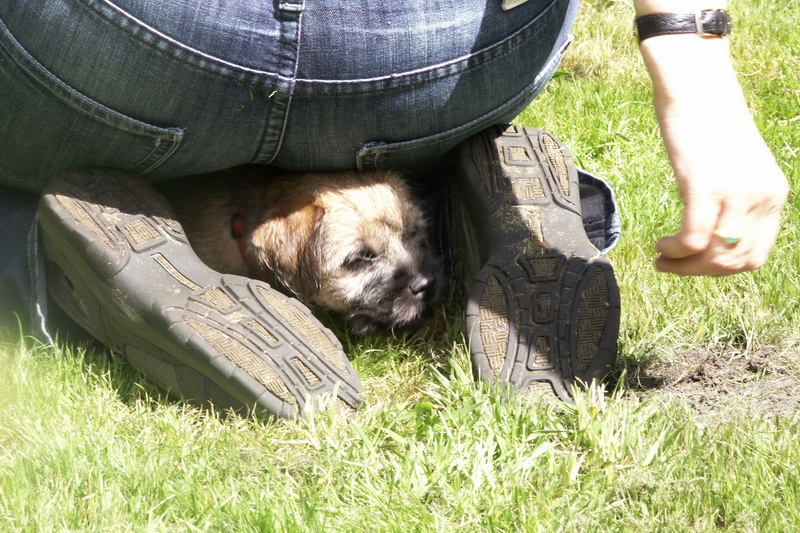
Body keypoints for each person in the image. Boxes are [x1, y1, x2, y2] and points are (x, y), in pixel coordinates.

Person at [0, 0, 787, 417]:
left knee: (38, 184)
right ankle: (453, 198)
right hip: (438, 48)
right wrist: (696, 75)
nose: (418, 281)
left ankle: (69, 257)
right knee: (393, 196)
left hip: (131, 40)